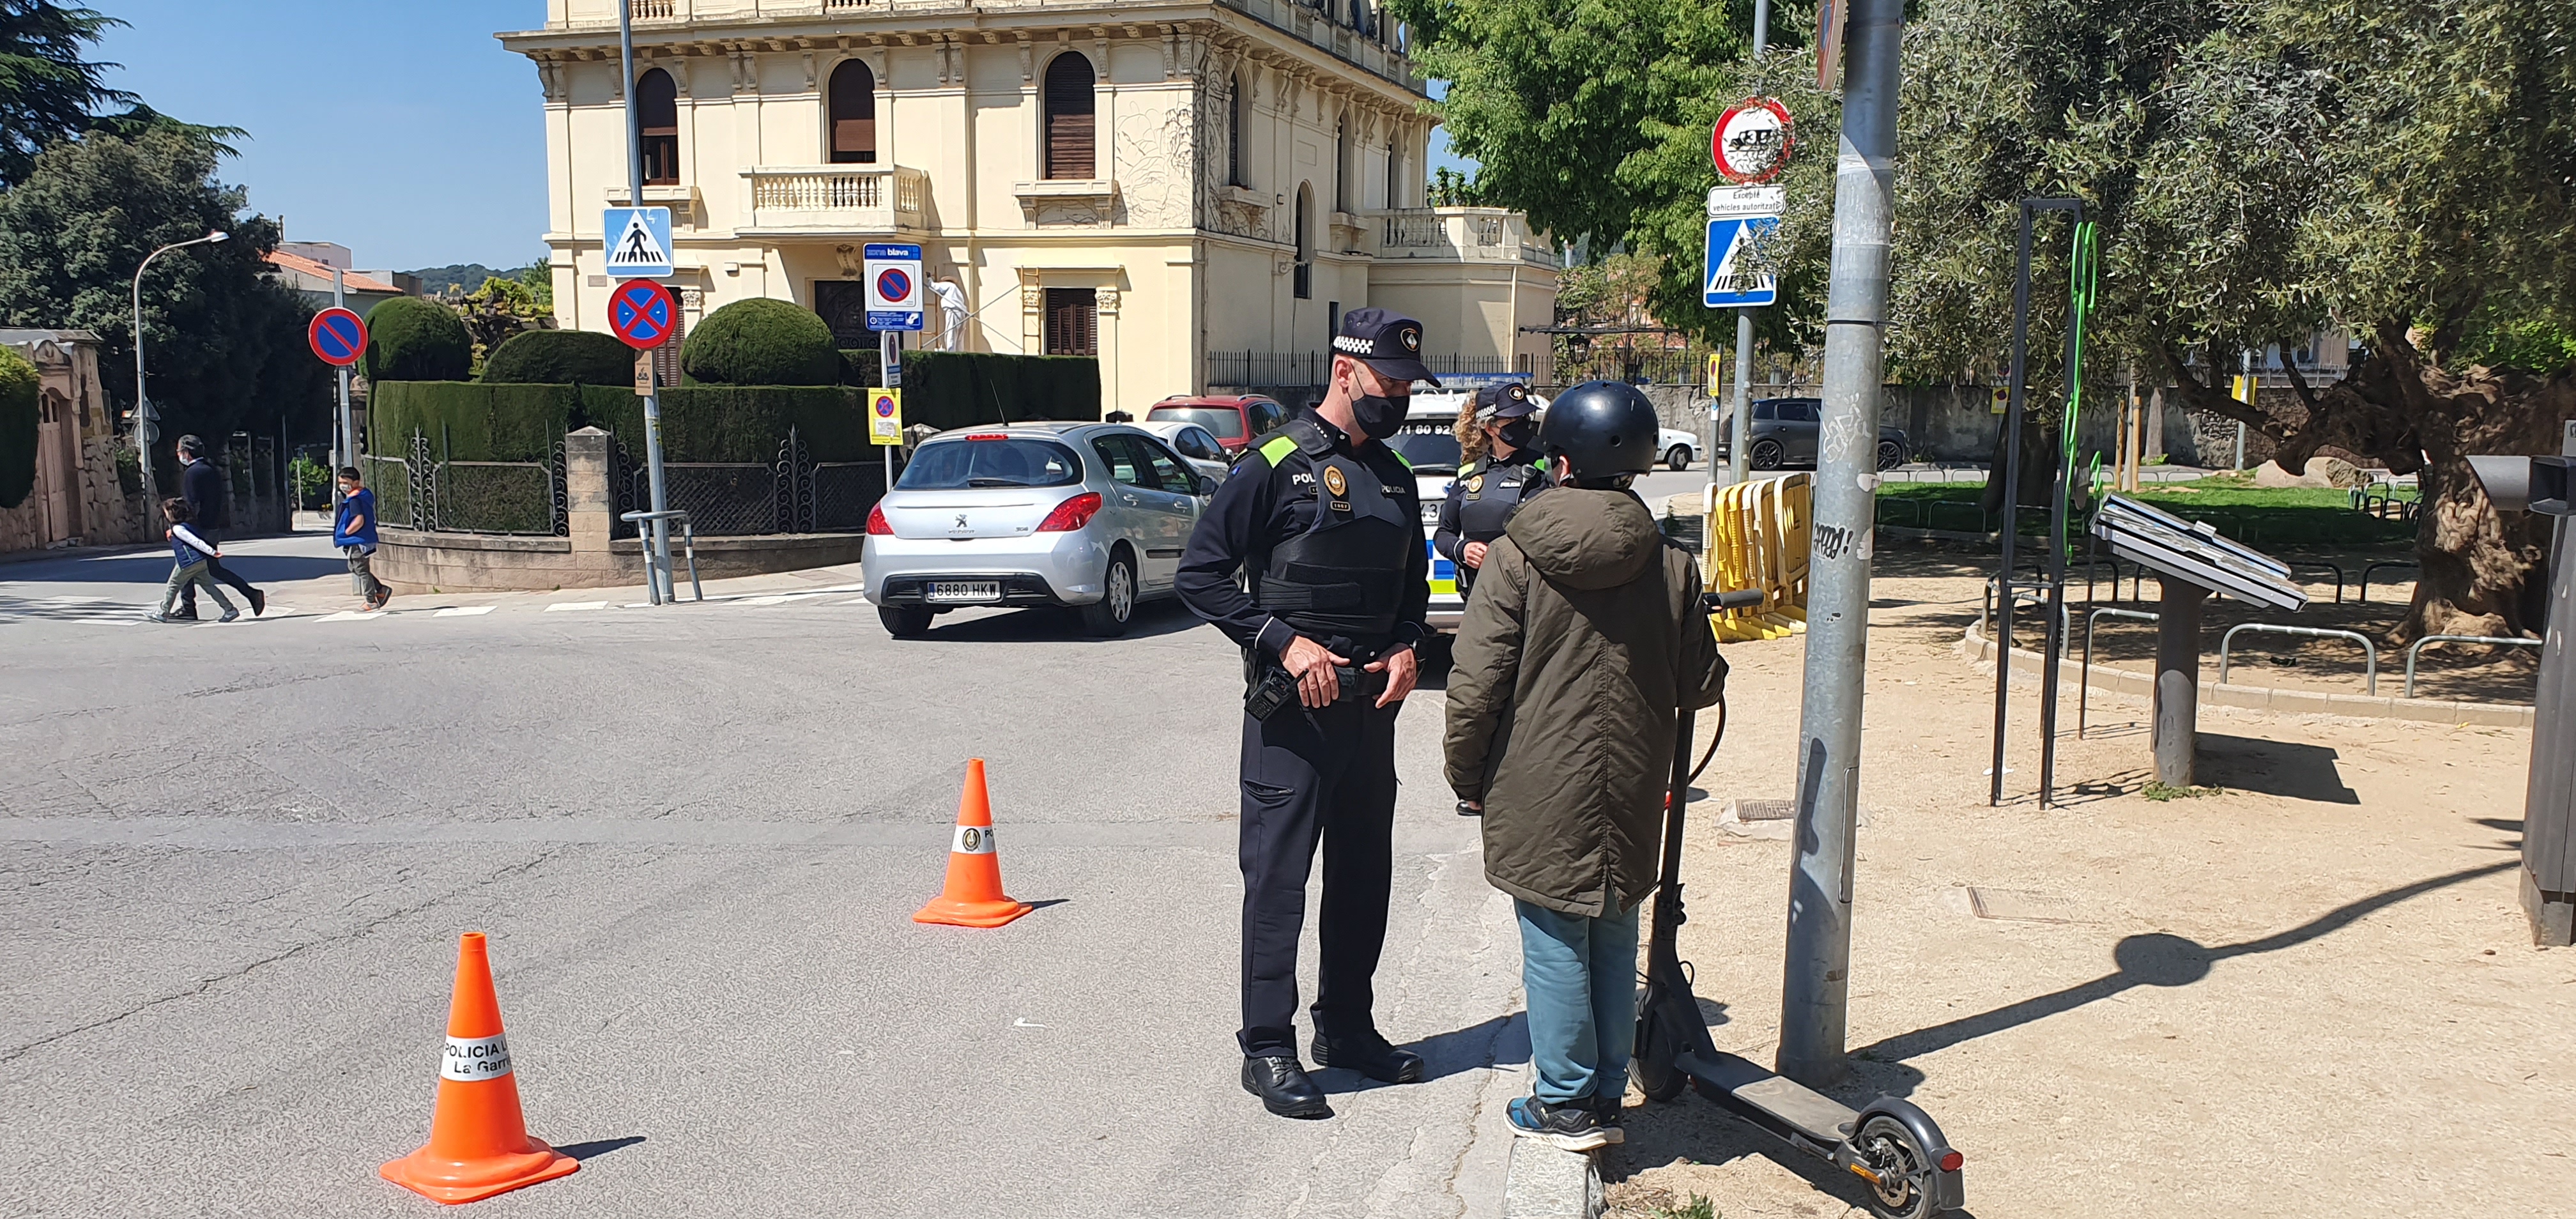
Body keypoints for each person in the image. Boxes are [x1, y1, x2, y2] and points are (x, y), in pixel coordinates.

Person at [1441, 381, 1728, 1151]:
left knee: (1554, 934)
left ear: (1557, 459)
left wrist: (1467, 777)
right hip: (1635, 780)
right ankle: (1604, 1092)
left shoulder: (1513, 557)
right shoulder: (1671, 564)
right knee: (1613, 928)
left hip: (1536, 780)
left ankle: (1565, 1103)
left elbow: (1476, 685)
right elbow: (1703, 683)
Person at [1176, 307, 1437, 1119]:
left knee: (1364, 881)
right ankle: (1268, 1048)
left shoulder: (1394, 477)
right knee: (1280, 884)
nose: (1397, 396)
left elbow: (1412, 592)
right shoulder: (1275, 463)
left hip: (1369, 717)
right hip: (1292, 718)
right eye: (1388, 382)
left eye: (1406, 386)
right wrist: (1283, 642)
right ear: (1344, 368)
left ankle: (1348, 1029)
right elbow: (1201, 575)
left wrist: (1405, 646)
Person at [1433, 383, 1551, 599]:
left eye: (1524, 418)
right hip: (1479, 597)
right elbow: (1443, 533)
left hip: (1530, 597)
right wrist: (1463, 550)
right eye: (1511, 421)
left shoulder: (1546, 468)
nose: (1522, 425)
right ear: (1490, 427)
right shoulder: (1469, 475)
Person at [172, 434, 265, 618]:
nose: (178, 455)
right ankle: (249, 594)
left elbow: (191, 505)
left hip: (198, 528)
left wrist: (180, 527)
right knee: (210, 569)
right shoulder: (210, 469)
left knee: (187, 564)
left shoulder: (192, 473)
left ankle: (189, 607)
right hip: (212, 526)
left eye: (179, 451)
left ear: (186, 452)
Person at [149, 497, 239, 624]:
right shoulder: (186, 526)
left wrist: (212, 552)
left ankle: (163, 613)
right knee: (208, 586)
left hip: (188, 562)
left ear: (171, 514)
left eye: (165, 513)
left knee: (173, 585)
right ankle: (230, 610)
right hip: (200, 561)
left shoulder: (178, 529)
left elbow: (195, 542)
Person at [334, 466, 391, 610]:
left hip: (358, 539)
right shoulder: (364, 496)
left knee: (361, 569)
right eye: (340, 483)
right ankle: (380, 589)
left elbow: (359, 520)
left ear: (356, 482)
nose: (342, 486)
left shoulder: (355, 500)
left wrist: (346, 532)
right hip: (363, 539)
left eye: (345, 482)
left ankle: (371, 600)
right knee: (354, 567)